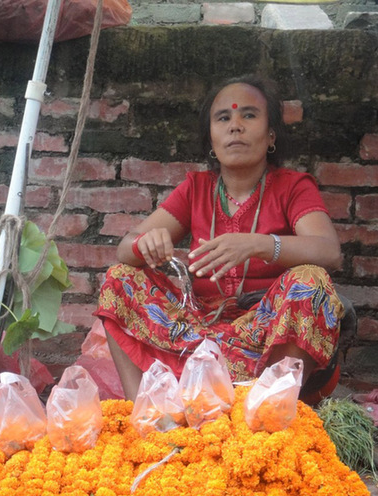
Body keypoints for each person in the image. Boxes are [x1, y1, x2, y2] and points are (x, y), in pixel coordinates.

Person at [96, 74, 344, 402]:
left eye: (249, 115)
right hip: (197, 329)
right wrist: (147, 244)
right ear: (211, 139)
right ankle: (145, 414)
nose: (235, 125)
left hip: (266, 330)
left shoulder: (292, 186)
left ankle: (270, 416)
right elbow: (124, 250)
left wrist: (260, 244)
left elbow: (329, 252)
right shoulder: (196, 188)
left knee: (312, 281)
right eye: (223, 117)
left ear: (271, 136)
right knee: (120, 280)